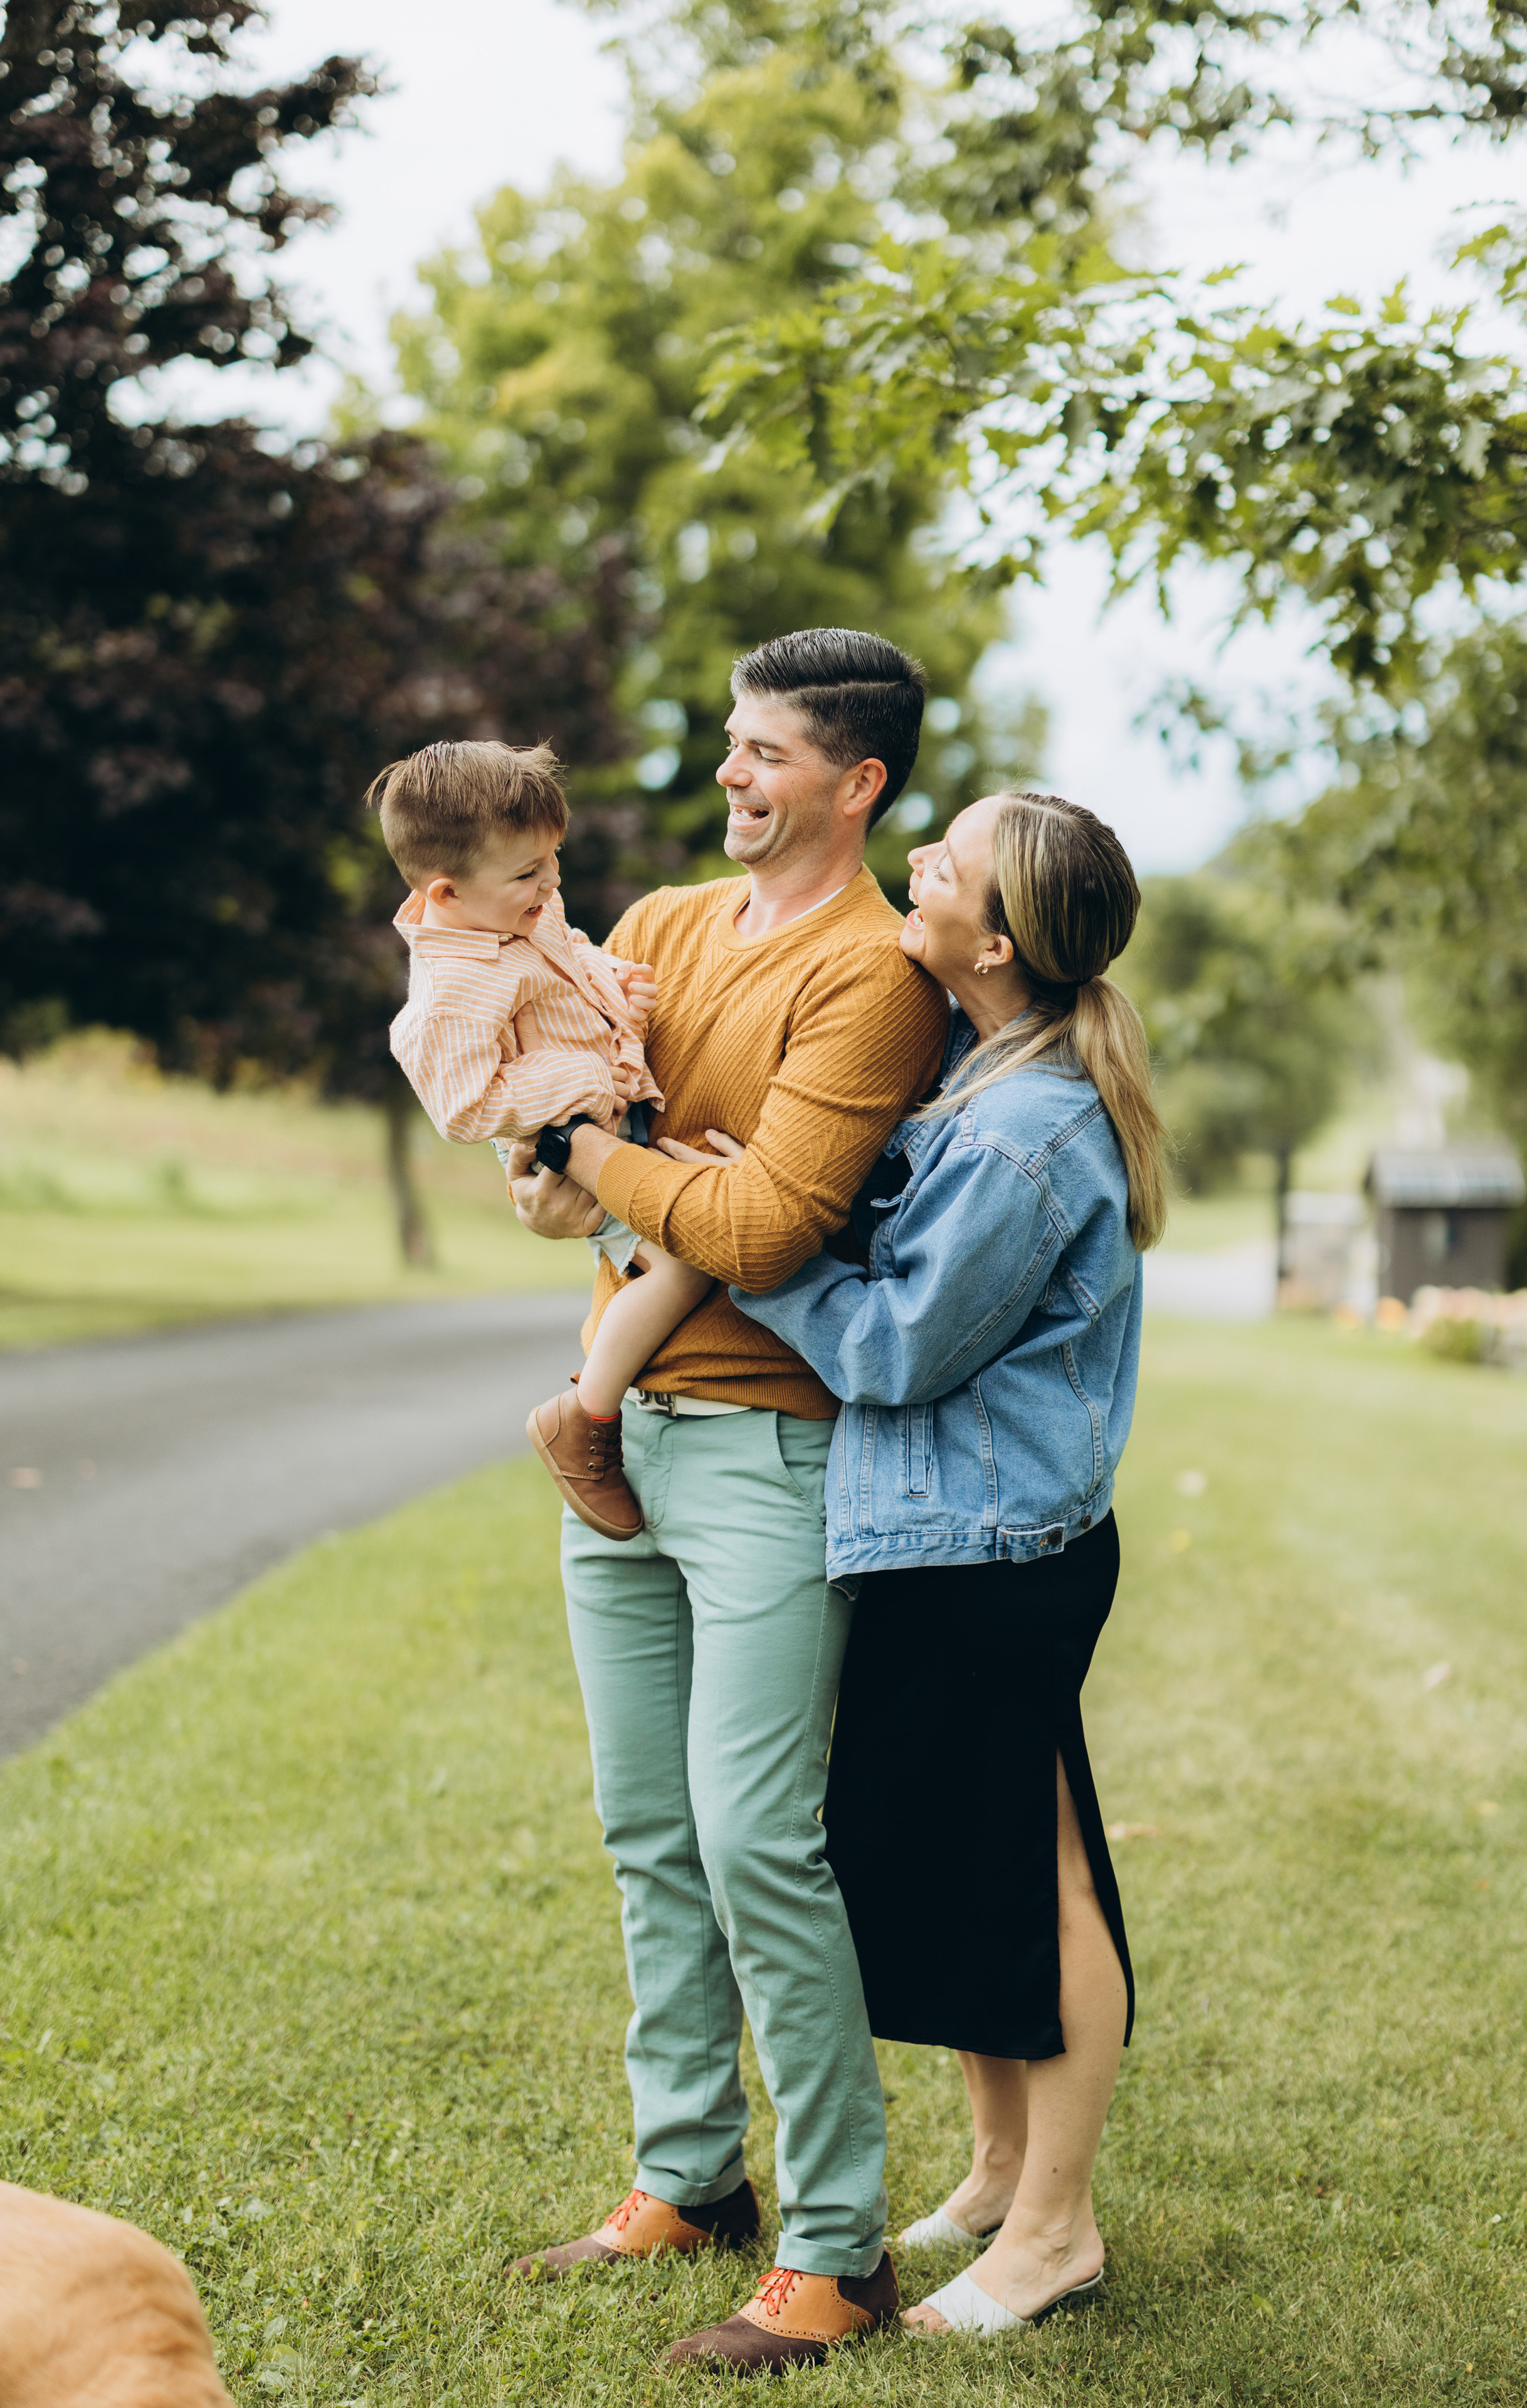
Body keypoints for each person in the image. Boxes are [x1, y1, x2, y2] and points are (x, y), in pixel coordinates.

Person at [501, 630, 952, 2371]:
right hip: (615, 1437)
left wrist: (610, 1166)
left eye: (766, 752)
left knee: (759, 1838)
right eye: (729, 743)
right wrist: (590, 1165)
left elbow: (766, 1232)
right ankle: (688, 2176)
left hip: (772, 1452)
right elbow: (553, 1168)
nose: (730, 774)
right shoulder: (664, 927)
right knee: (646, 1828)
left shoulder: (874, 977)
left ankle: (837, 2254)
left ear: (858, 783)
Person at [732, 789, 1169, 2338]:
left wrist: (748, 1246)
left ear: (995, 942)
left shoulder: (1020, 1128)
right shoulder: (977, 1074)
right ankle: (995, 2174)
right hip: (949, 1537)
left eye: (947, 861)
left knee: (1038, 1874)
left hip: (991, 1548)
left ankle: (1053, 2232)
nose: (914, 862)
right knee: (967, 1865)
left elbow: (895, 1347)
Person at [371, 739, 712, 1539]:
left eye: (554, 859)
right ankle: (585, 1415)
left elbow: (567, 964)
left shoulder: (516, 909)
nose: (552, 882)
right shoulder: (452, 989)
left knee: (674, 1244)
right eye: (530, 872)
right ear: (446, 892)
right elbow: (464, 1108)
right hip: (560, 1138)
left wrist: (612, 985)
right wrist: (581, 1082)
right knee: (686, 1261)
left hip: (601, 1112)